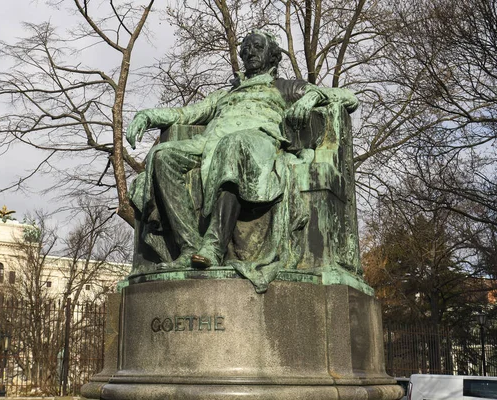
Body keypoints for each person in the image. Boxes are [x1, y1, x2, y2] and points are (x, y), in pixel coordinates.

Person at [127, 29, 358, 280]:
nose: (249, 52)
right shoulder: (226, 94)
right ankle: (189, 247)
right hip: (208, 145)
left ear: (272, 57)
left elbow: (349, 98)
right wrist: (148, 115)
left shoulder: (286, 88)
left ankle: (214, 246)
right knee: (162, 155)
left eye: (257, 47)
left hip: (256, 145)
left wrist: (312, 96)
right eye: (246, 48)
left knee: (233, 143)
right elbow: (186, 114)